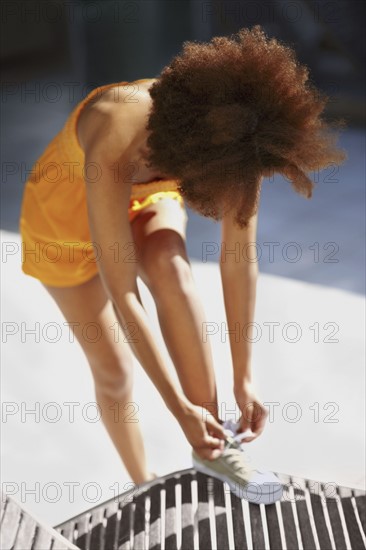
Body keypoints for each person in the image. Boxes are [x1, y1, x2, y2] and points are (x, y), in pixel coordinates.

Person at [19, 26, 346, 502]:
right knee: (113, 372)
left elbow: (239, 259)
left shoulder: (235, 146)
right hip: (61, 223)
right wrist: (177, 407)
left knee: (170, 265)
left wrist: (244, 377)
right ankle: (142, 484)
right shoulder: (117, 122)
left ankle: (214, 449)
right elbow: (123, 287)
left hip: (144, 201)